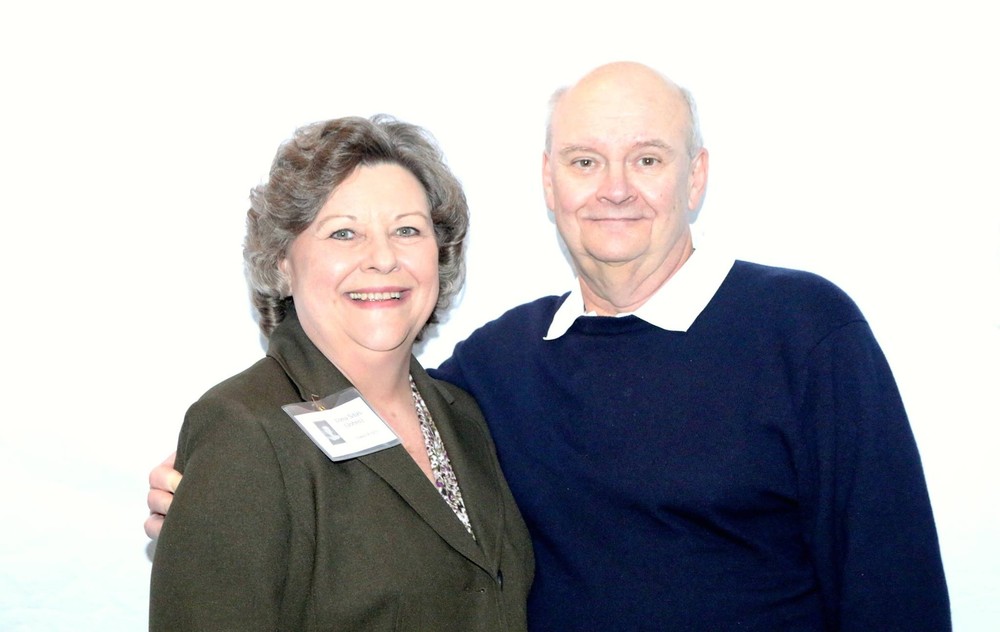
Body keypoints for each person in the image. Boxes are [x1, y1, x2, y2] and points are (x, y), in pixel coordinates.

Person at [148, 63, 951, 630]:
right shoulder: (501, 368)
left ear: (696, 176)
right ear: (548, 181)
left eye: (647, 158)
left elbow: (895, 589)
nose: (614, 187)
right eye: (584, 161)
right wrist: (208, 498)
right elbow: (346, 419)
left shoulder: (804, 331)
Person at [148, 115, 533, 631]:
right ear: (282, 261)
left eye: (407, 230)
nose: (383, 258)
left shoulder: (463, 414)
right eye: (344, 233)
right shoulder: (244, 432)